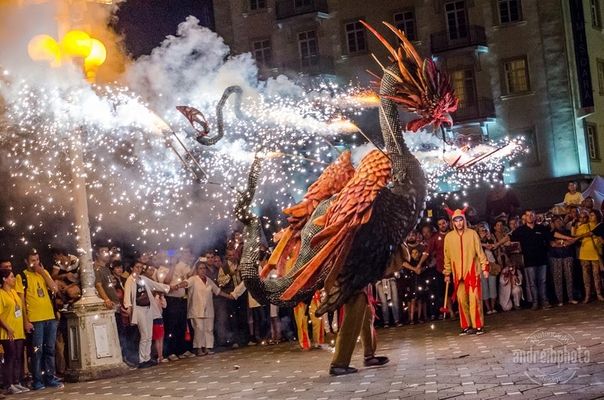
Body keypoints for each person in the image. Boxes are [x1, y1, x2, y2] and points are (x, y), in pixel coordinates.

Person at [15, 248, 63, 390]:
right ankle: (37, 380)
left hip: (50, 317)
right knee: (37, 350)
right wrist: (26, 320)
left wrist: (42, 272)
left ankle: (49, 377)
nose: (35, 263)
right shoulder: (21, 276)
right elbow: (21, 301)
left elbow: (54, 289)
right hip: (36, 319)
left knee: (50, 349)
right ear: (26, 262)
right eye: (32, 261)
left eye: (37, 260)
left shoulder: (44, 273)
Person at [509, 209, 575, 310]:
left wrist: (567, 239)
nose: (530, 217)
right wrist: (497, 244)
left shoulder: (541, 228)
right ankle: (535, 302)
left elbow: (552, 236)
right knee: (532, 283)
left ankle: (544, 301)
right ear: (525, 217)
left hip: (542, 259)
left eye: (532, 215)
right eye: (528, 215)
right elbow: (510, 237)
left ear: (535, 216)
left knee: (543, 281)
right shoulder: (521, 230)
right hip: (529, 260)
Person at [443, 208, 489, 335]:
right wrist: (447, 273)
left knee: (474, 299)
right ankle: (466, 326)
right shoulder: (449, 237)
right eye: (456, 221)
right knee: (461, 299)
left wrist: (485, 267)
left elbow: (480, 252)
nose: (458, 223)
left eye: (460, 220)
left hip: (472, 271)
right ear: (453, 222)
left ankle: (478, 325)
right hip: (458, 275)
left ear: (464, 220)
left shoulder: (472, 234)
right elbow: (447, 257)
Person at [173, 260, 233, 356]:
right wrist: (177, 286)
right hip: (196, 309)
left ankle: (207, 347)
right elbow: (185, 283)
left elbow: (217, 291)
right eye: (200, 268)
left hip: (208, 309)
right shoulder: (193, 279)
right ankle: (199, 348)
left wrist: (229, 296)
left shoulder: (208, 280)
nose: (203, 270)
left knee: (208, 329)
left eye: (204, 268)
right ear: (197, 270)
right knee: (199, 329)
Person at [329, 286, 389, 376]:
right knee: (352, 320)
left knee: (366, 317)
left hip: (362, 285)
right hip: (353, 285)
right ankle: (339, 363)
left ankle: (369, 355)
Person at [123, 261, 170, 368]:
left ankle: (147, 358)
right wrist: (128, 307)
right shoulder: (130, 281)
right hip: (139, 309)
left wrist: (169, 287)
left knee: (149, 334)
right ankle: (141, 359)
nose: (138, 269)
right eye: (137, 267)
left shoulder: (143, 279)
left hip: (148, 308)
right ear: (132, 268)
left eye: (140, 267)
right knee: (144, 334)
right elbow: (127, 295)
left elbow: (156, 285)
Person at [0, 269, 29, 394]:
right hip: (8, 332)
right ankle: (8, 384)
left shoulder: (13, 292)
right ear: (4, 279)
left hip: (18, 331)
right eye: (11, 277)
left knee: (18, 357)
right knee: (10, 357)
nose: (14, 279)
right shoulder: (1, 294)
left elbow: (18, 309)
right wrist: (8, 328)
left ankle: (16, 382)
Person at [163, 247, 195, 360]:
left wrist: (195, 264)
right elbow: (166, 281)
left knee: (181, 326)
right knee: (171, 326)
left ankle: (180, 350)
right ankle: (170, 352)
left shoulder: (181, 266)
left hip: (182, 299)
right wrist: (172, 266)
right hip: (171, 300)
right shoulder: (162, 269)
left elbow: (190, 277)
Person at [572, 210, 604, 303]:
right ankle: (587, 295)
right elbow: (575, 235)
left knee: (596, 275)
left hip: (595, 253)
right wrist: (574, 225)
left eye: (592, 215)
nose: (590, 217)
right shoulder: (584, 225)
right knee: (586, 276)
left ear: (597, 216)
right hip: (585, 253)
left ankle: (599, 294)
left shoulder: (600, 225)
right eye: (589, 215)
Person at [549, 216, 578, 305]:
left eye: (560, 221)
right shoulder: (550, 233)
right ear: (553, 223)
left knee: (569, 278)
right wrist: (563, 243)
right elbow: (552, 244)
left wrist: (560, 242)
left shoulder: (567, 232)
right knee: (558, 279)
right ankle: (560, 300)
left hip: (567, 256)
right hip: (556, 257)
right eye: (556, 221)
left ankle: (571, 298)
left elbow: (572, 241)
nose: (559, 223)